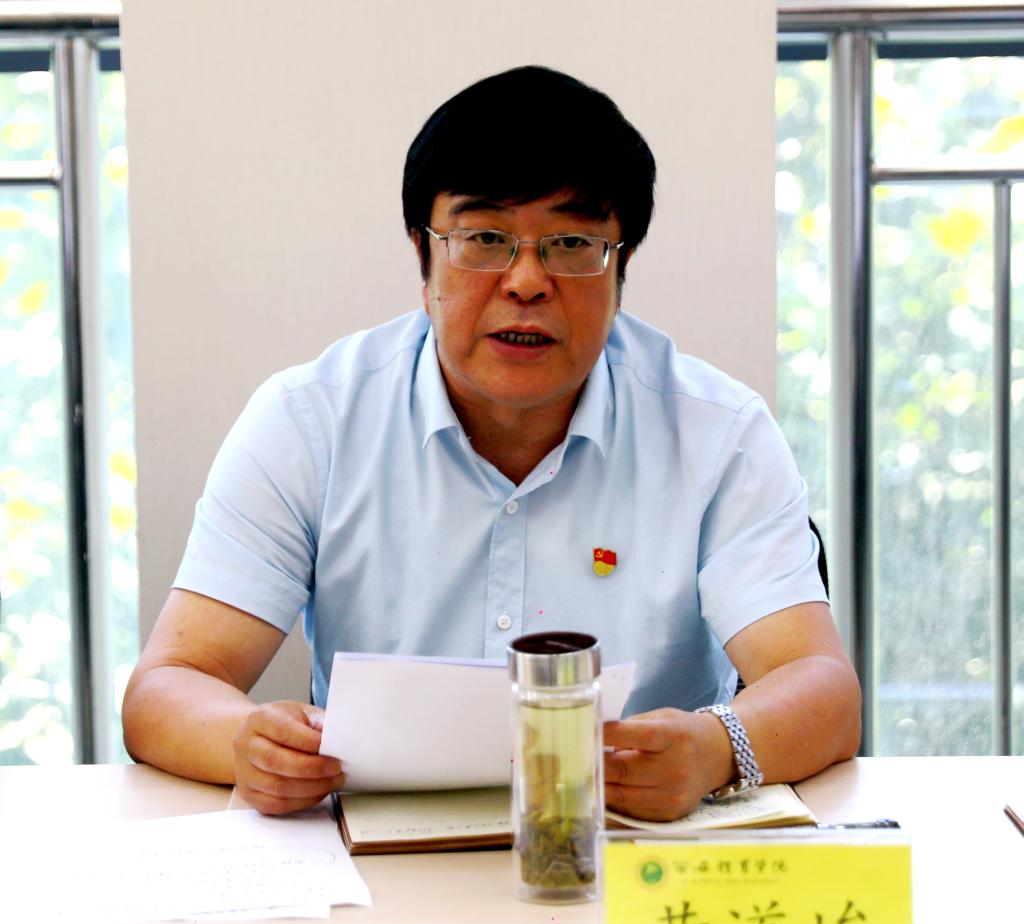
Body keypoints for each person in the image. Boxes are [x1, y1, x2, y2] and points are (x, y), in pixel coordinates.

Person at [123, 65, 860, 821]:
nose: (527, 281)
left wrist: (714, 749)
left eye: (571, 243)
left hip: (636, 848)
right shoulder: (309, 422)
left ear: (622, 266)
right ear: (423, 255)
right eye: (484, 239)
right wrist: (245, 744)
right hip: (374, 857)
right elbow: (167, 685)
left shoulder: (718, 433)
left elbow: (823, 689)